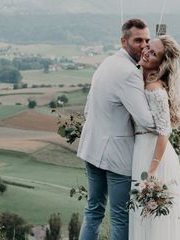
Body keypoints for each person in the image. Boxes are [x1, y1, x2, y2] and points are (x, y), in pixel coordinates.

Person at [77, 19, 156, 240]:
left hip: (92, 148)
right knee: (121, 216)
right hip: (117, 155)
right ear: (124, 41)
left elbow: (86, 110)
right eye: (138, 40)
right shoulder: (129, 72)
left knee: (93, 210)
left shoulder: (106, 63)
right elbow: (147, 120)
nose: (144, 45)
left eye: (147, 40)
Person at [129, 35, 180, 239]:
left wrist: (152, 171)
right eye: (148, 47)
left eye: (153, 53)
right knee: (144, 217)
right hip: (143, 150)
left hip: (154, 157)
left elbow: (165, 131)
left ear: (161, 64)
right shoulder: (143, 80)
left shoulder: (155, 89)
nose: (146, 51)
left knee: (156, 223)